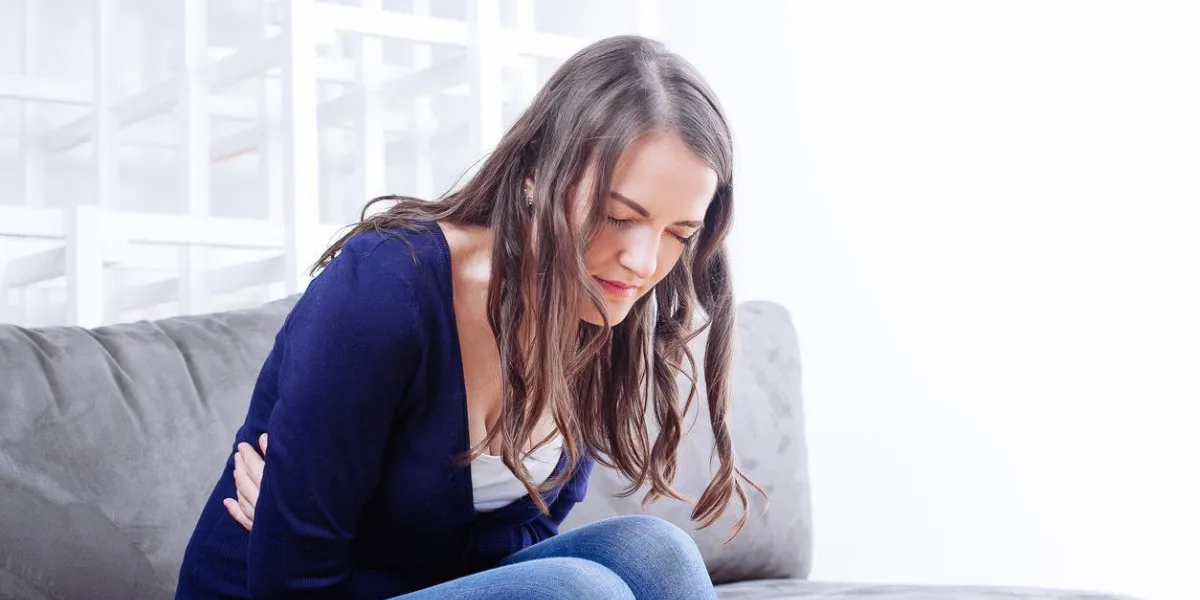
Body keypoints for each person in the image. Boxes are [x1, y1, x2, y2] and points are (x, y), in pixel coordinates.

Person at [175, 34, 761, 600]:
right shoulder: (386, 288)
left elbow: (512, 550)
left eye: (678, 233)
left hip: (377, 585)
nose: (642, 261)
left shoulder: (601, 303)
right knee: (577, 592)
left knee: (656, 552)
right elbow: (290, 581)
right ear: (536, 175)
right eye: (616, 216)